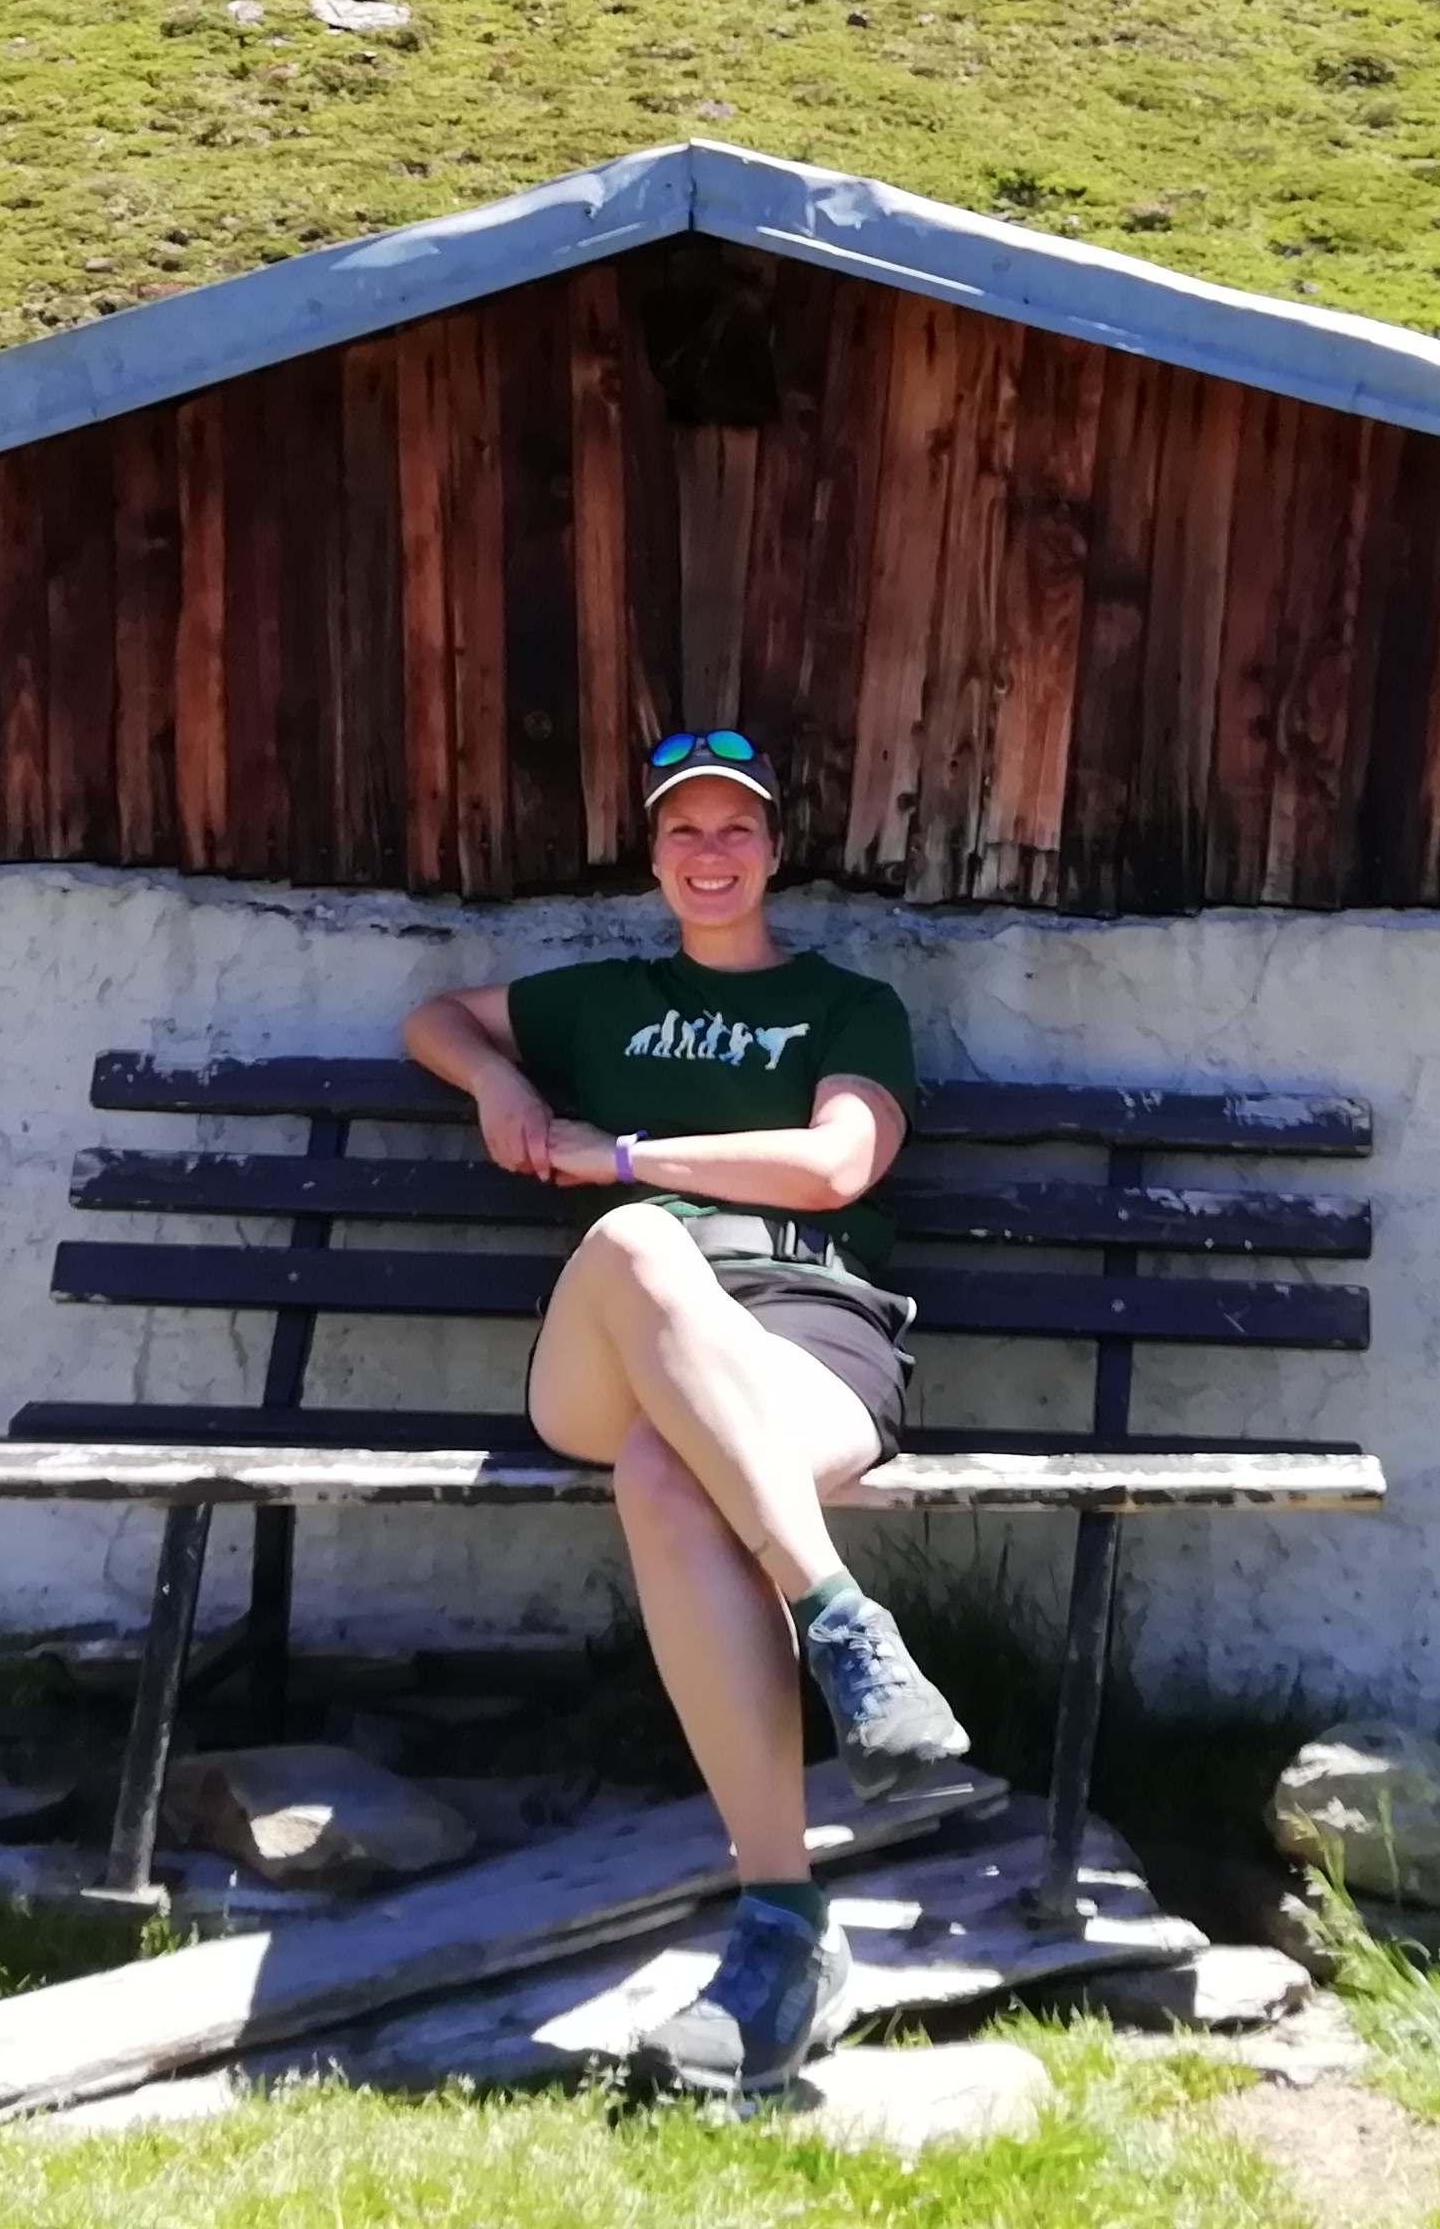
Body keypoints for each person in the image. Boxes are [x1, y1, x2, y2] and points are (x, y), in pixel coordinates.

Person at [401, 727, 969, 2095]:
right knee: (643, 1244)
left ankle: (782, 1925)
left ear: (775, 852)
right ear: (654, 858)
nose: (708, 855)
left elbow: (840, 1168)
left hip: (813, 1331)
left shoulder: (848, 1008)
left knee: (669, 1477)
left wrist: (627, 1152)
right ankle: (844, 1624)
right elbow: (439, 1017)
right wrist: (500, 1084)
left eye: (734, 830)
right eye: (682, 832)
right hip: (617, 1343)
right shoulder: (606, 999)